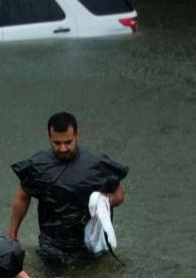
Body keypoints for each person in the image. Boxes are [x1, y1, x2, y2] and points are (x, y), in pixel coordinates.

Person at [8, 111, 129, 268]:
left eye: (68, 142)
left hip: (90, 243)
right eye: (57, 143)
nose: (63, 148)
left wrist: (106, 201)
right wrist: (12, 236)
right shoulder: (38, 167)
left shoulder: (97, 164)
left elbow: (119, 194)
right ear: (49, 137)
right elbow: (23, 196)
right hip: (52, 244)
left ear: (77, 135)